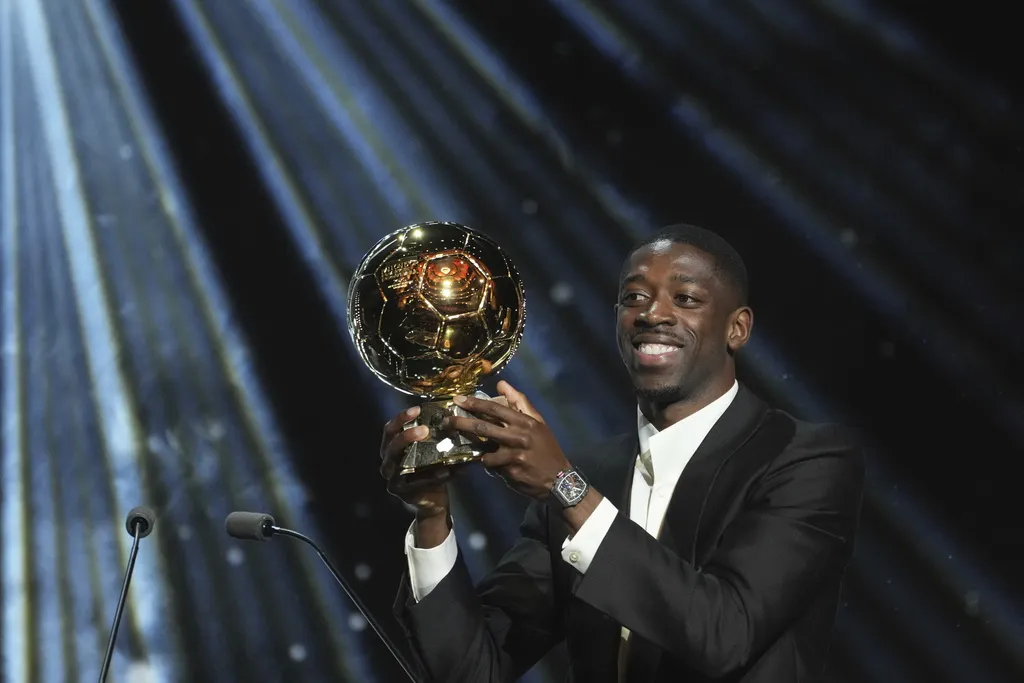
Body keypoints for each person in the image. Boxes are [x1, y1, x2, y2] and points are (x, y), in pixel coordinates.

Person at [379, 224, 865, 682]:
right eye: (634, 297)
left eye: (686, 298)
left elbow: (725, 635)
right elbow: (471, 672)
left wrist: (566, 490)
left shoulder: (804, 459)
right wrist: (431, 517)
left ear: (737, 328)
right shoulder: (596, 475)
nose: (652, 313)